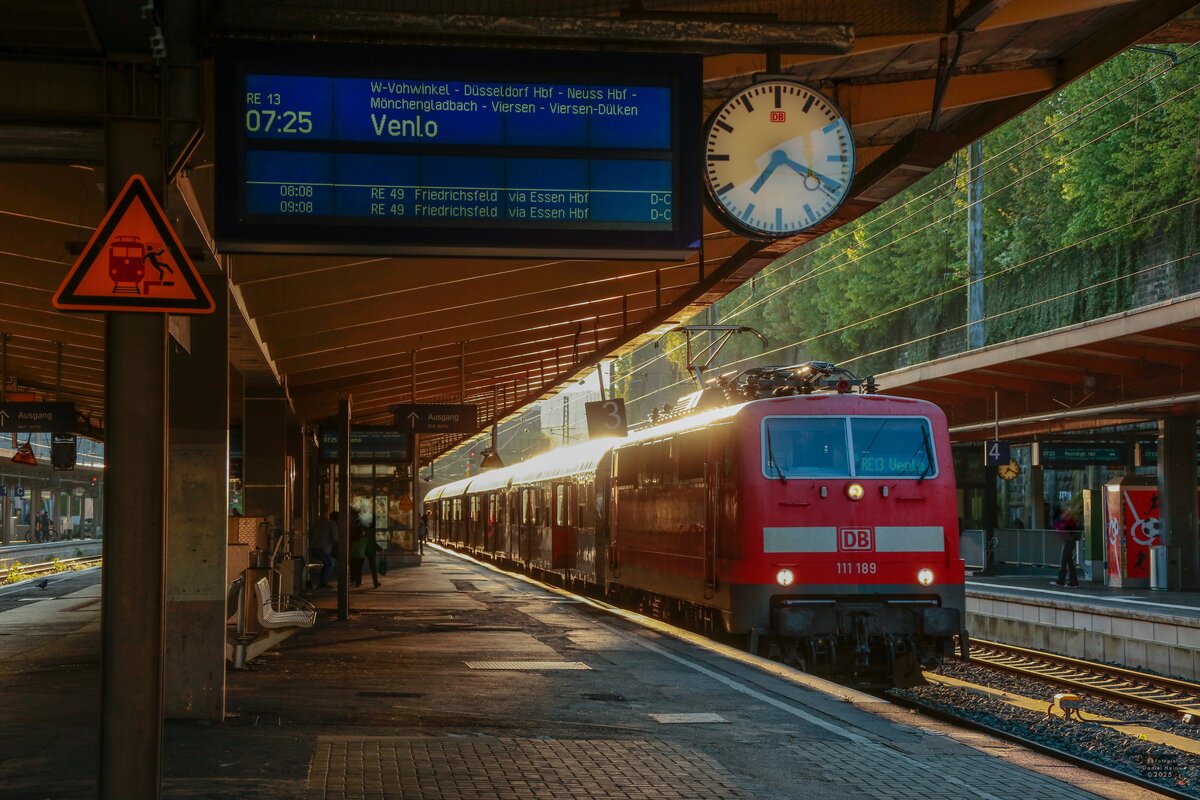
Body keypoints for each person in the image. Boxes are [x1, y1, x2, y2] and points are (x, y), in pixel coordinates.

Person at [1052, 507, 1080, 588]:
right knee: (1069, 562)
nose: (1064, 515)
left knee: (1064, 561)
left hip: (1069, 542)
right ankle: (1073, 581)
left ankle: (1062, 580)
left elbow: (1064, 529)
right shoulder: (1069, 521)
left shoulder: (1069, 522)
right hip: (1069, 542)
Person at [309, 511, 338, 588]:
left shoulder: (324, 524)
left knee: (328, 563)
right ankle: (322, 582)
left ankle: (323, 581)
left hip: (315, 547)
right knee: (330, 564)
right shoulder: (333, 525)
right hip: (320, 548)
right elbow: (335, 539)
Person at [350, 519, 380, 589]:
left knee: (359, 567)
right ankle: (375, 583)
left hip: (361, 549)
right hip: (369, 550)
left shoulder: (359, 528)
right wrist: (379, 548)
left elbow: (354, 539)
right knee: (373, 567)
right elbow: (372, 540)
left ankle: (358, 582)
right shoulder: (370, 530)